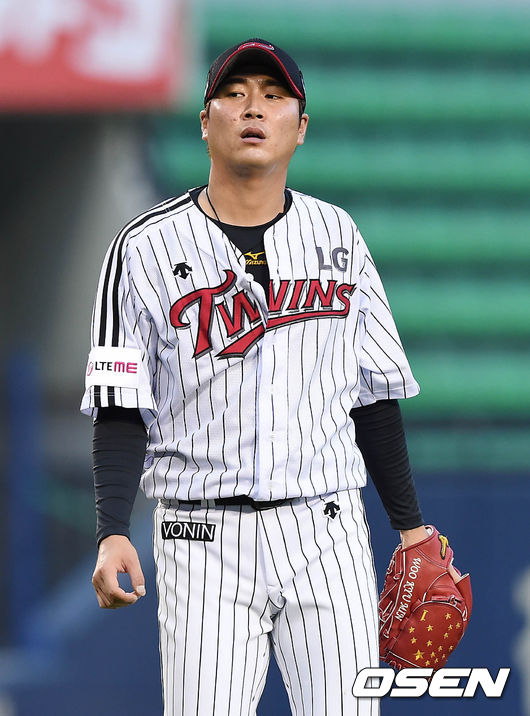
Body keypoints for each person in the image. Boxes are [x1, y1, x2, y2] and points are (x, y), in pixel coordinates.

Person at [82, 38, 430, 716]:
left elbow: (373, 398)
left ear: (300, 128)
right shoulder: (143, 247)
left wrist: (411, 528)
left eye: (273, 96)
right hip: (200, 536)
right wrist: (111, 528)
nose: (253, 108)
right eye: (234, 94)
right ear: (204, 122)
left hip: (325, 528)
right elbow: (121, 404)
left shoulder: (338, 235)